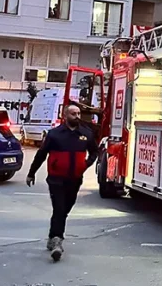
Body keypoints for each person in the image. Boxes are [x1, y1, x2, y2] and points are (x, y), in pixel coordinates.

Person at [26, 105, 98, 262]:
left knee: (64, 209)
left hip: (75, 179)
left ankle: (52, 236)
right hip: (56, 179)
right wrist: (31, 173)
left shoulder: (86, 134)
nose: (77, 116)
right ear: (65, 115)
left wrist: (85, 165)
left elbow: (94, 151)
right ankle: (58, 241)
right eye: (73, 113)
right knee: (59, 208)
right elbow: (41, 154)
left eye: (78, 113)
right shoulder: (55, 134)